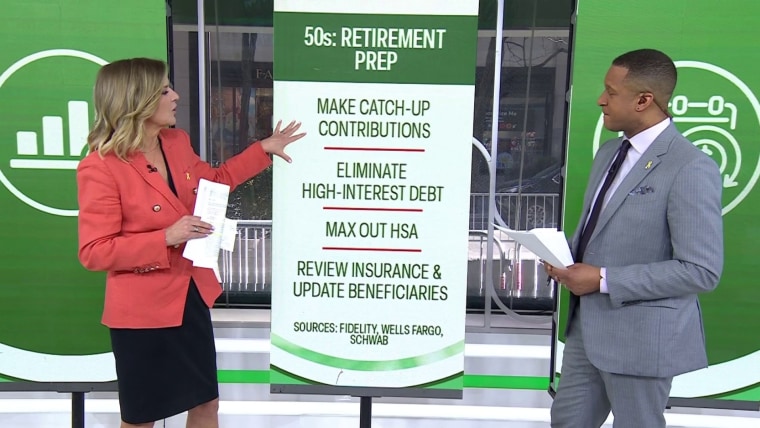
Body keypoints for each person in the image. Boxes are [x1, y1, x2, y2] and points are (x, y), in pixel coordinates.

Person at [76, 57, 305, 428]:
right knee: (142, 418)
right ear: (137, 100)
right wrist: (166, 237)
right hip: (141, 315)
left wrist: (263, 149)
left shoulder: (176, 142)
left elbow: (214, 182)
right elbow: (95, 251)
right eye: (164, 90)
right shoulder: (101, 166)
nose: (175, 96)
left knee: (206, 404)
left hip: (189, 297)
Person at [546, 49, 723, 427]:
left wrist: (602, 279)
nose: (601, 100)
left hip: (641, 340)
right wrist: (563, 261)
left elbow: (701, 270)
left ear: (643, 100)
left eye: (611, 92)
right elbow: (599, 232)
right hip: (585, 332)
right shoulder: (608, 153)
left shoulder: (690, 167)